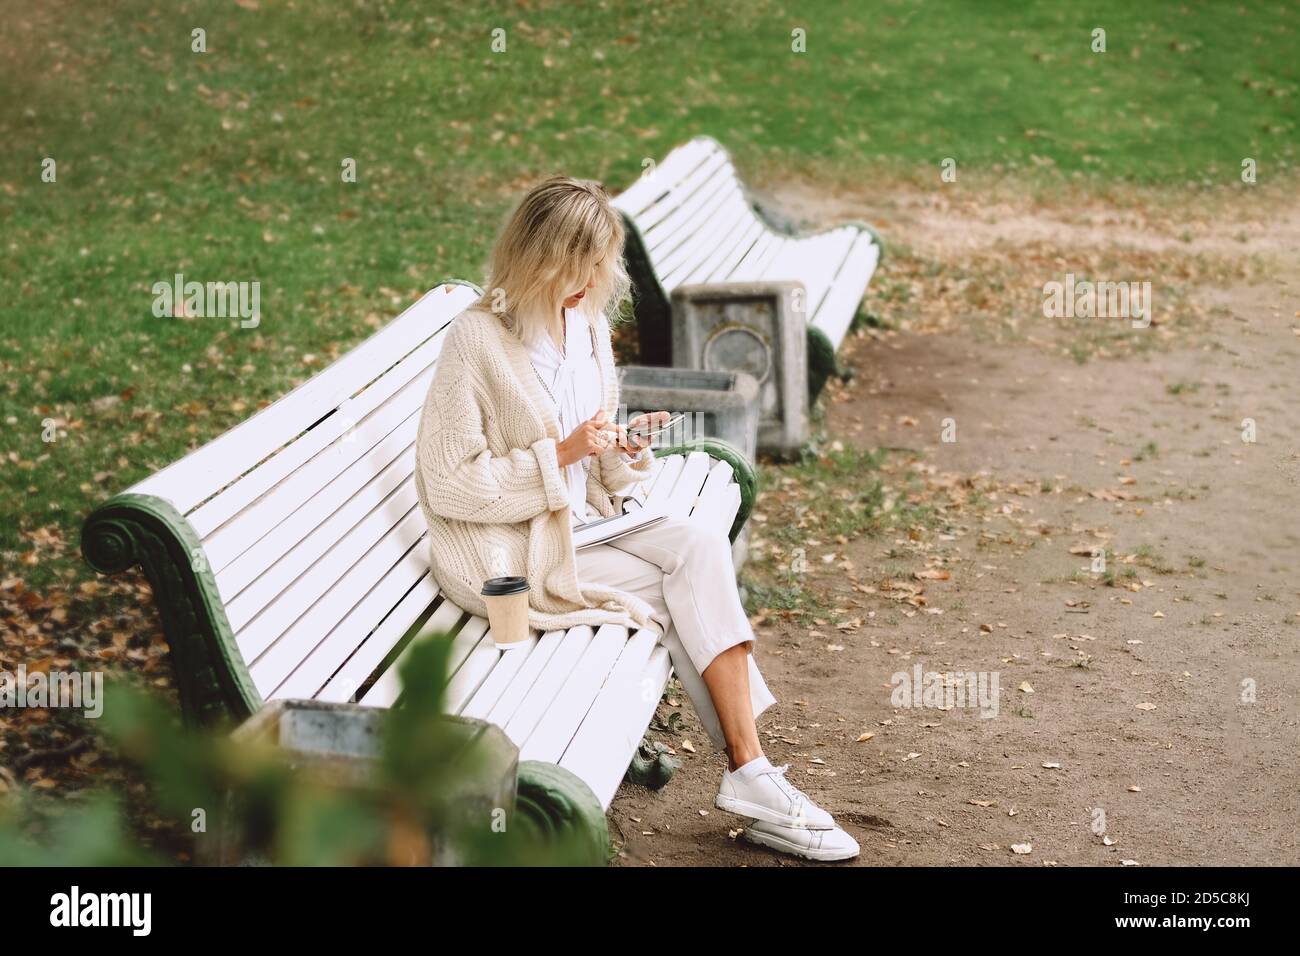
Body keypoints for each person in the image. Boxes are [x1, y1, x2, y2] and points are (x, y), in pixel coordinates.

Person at [413, 175, 858, 861]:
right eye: (579, 267)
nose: (594, 282)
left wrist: (622, 446)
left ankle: (752, 772)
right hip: (512, 552)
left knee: (698, 552)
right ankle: (752, 775)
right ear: (538, 259)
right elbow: (449, 484)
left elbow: (592, 447)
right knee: (693, 574)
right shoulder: (477, 340)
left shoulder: (584, 324)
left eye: (599, 266)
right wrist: (556, 453)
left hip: (581, 526)